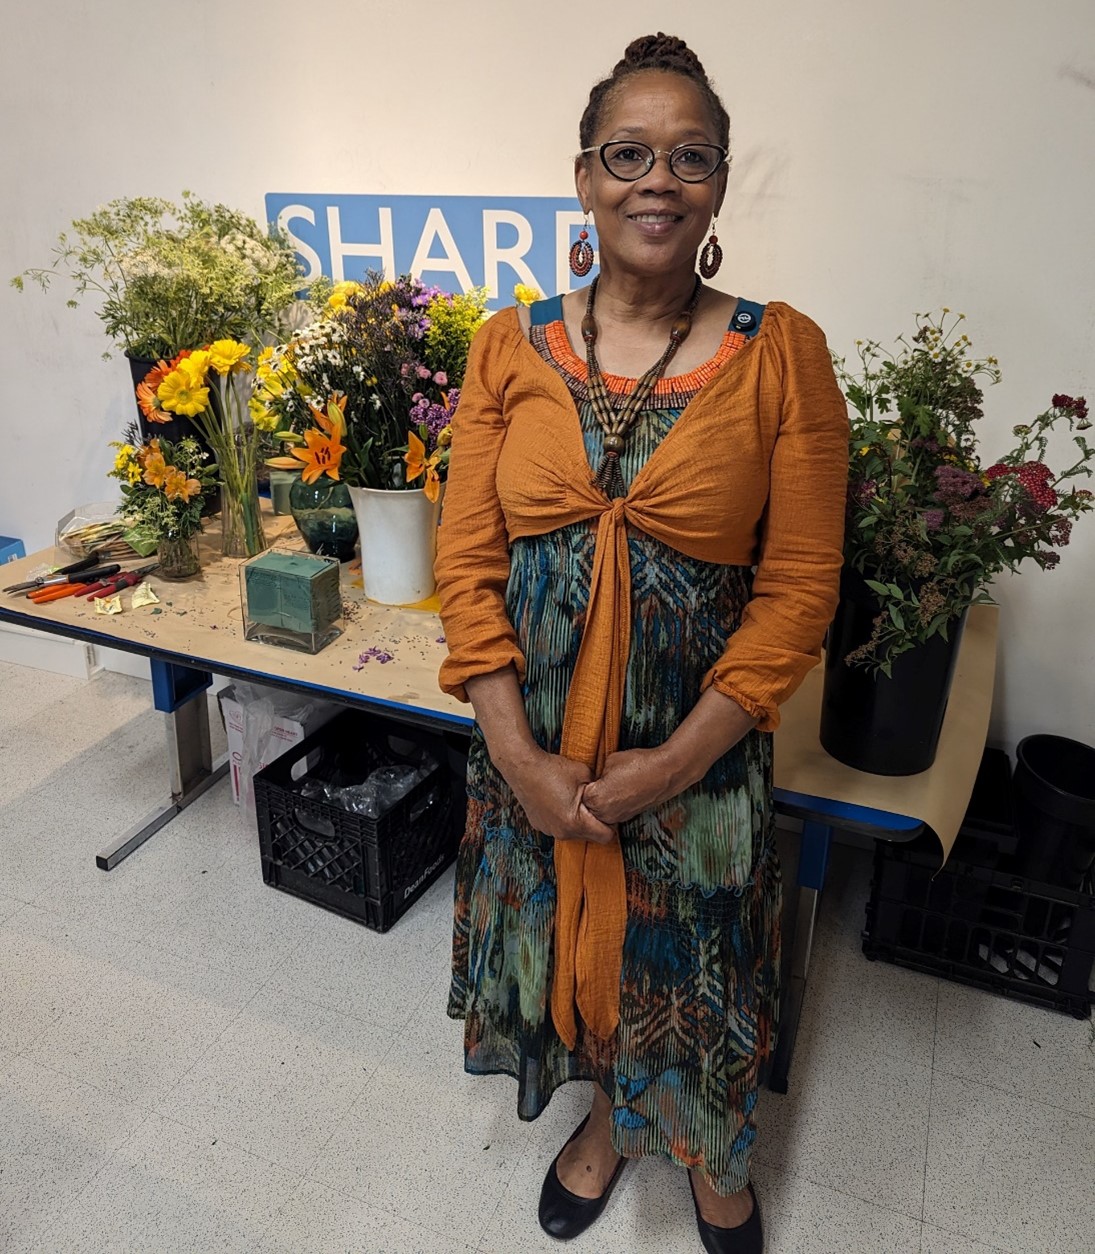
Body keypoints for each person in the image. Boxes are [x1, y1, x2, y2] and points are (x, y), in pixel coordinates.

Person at [435, 32, 848, 1254]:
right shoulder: (507, 346)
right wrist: (517, 754)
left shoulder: (783, 354)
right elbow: (467, 566)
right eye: (629, 153)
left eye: (690, 155)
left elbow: (800, 589)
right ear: (583, 176)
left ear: (718, 184)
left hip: (700, 759)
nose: (655, 180)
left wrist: (673, 766)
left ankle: (716, 1154)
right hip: (534, 754)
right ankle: (611, 1124)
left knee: (696, 965)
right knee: (580, 959)